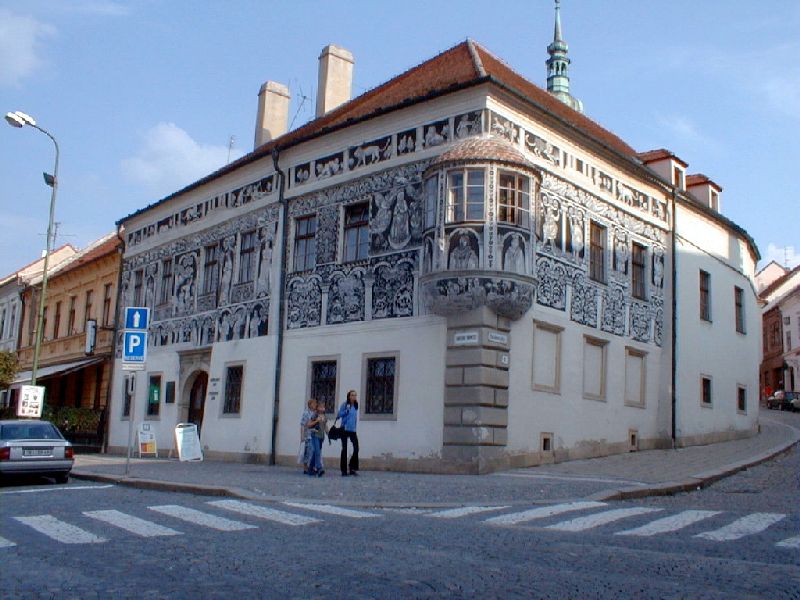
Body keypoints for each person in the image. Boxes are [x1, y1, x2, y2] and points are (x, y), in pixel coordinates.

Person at [337, 390, 359, 476]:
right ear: (349, 396)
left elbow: (354, 417)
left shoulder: (356, 405)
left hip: (352, 430)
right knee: (344, 449)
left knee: (356, 448)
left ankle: (352, 467)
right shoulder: (345, 404)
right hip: (344, 428)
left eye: (355, 395)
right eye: (352, 395)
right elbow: (339, 414)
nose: (354, 397)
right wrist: (346, 411)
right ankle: (343, 470)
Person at [308, 402, 328, 477]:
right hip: (315, 435)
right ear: (317, 408)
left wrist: (328, 433)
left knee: (316, 452)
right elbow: (309, 424)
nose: (322, 408)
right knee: (317, 452)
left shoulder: (324, 416)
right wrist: (316, 420)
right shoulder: (315, 415)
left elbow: (325, 426)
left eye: (323, 407)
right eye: (320, 407)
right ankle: (319, 468)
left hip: (321, 436)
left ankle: (310, 469)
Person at [299, 399, 317, 475]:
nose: (315, 405)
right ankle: (305, 468)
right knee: (306, 452)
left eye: (315, 404)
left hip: (314, 435)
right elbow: (302, 425)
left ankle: (312, 467)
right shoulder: (306, 413)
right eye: (314, 404)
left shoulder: (315, 413)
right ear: (310, 405)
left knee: (313, 452)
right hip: (307, 435)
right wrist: (302, 436)